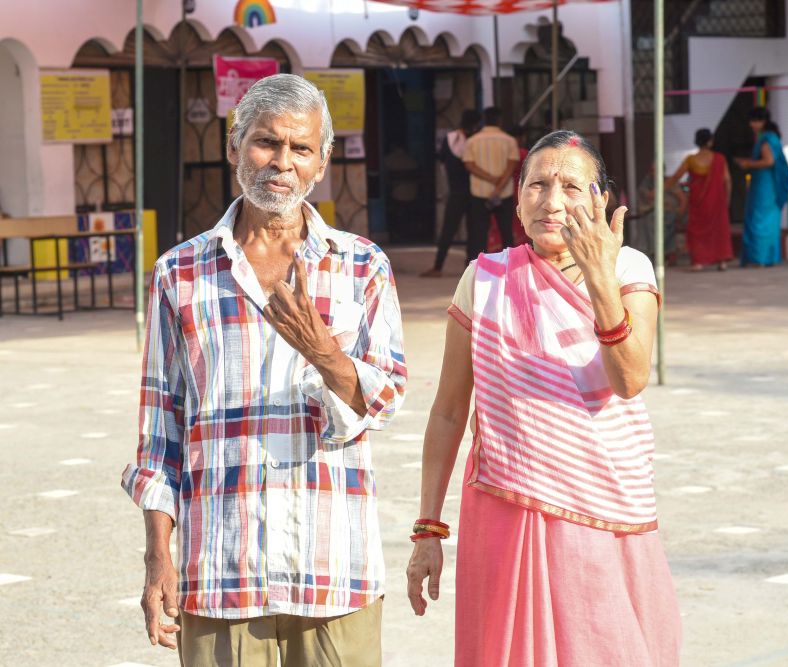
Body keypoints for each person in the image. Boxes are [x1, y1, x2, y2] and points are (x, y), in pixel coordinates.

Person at [121, 73, 407, 666]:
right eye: (265, 143)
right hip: (221, 569)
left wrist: (323, 350)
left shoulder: (362, 266)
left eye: (301, 149)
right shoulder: (180, 273)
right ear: (233, 148)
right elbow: (160, 433)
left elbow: (385, 400)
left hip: (332, 564)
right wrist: (158, 558)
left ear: (322, 162)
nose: (282, 163)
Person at [406, 130, 681, 667]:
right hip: (505, 509)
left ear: (600, 200)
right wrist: (428, 529)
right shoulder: (484, 278)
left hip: (603, 507)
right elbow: (447, 411)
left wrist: (600, 277)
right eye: (538, 185)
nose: (552, 201)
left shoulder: (629, 270)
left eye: (571, 186)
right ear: (518, 198)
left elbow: (629, 378)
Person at [421, 110, 482, 277]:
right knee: (473, 231)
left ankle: (438, 267)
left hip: (456, 191)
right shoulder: (476, 141)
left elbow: (442, 163)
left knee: (450, 230)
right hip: (473, 192)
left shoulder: (451, 140)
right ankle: (470, 268)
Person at [665, 128, 732, 271]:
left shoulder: (691, 160)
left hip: (697, 201)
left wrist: (661, 188)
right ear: (710, 141)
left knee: (696, 230)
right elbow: (727, 180)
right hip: (717, 201)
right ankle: (722, 262)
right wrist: (727, 199)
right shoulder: (720, 159)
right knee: (718, 230)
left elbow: (676, 177)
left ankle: (698, 262)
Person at [734, 106, 788, 267]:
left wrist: (747, 163)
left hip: (764, 185)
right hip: (769, 184)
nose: (751, 125)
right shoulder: (772, 137)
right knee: (770, 221)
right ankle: (768, 257)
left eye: (754, 121)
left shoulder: (766, 138)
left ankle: (759, 258)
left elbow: (769, 161)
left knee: (759, 221)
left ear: (762, 121)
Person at [462, 107, 520, 262]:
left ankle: (478, 266)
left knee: (479, 233)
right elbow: (512, 164)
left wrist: (490, 178)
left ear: (484, 120)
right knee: (506, 232)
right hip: (504, 193)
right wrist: (499, 184)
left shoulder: (472, 141)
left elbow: (469, 165)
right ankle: (511, 264)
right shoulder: (509, 140)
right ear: (499, 120)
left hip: (479, 193)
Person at [639, 162, 687, 266]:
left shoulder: (669, 182)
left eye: (656, 170)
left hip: (670, 212)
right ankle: (652, 252)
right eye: (652, 171)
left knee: (658, 222)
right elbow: (646, 195)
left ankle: (660, 252)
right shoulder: (648, 182)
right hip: (653, 212)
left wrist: (679, 215)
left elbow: (683, 200)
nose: (653, 173)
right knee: (648, 221)